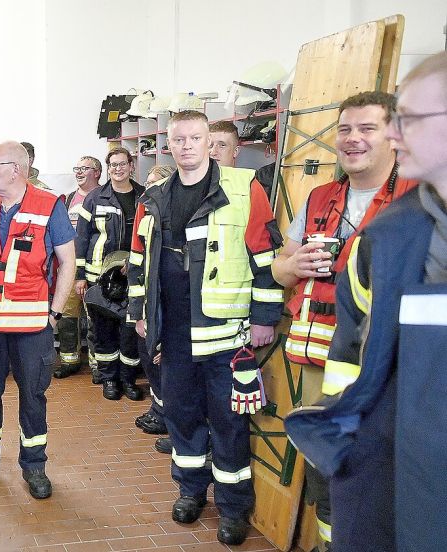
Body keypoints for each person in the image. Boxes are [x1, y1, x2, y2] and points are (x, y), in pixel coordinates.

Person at [286, 51, 447, 552]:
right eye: (345, 128)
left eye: (408, 120)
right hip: (353, 404)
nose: (396, 134)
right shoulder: (391, 235)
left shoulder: (393, 216)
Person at [127, 110, 283, 545]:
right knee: (182, 418)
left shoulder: (243, 187)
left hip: (226, 335)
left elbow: (264, 255)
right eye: (179, 139)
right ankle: (190, 491)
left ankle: (233, 508)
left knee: (230, 423)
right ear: (170, 145)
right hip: (173, 334)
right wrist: (139, 312)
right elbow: (140, 261)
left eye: (197, 138)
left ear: (210, 143)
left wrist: (265, 318)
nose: (188, 146)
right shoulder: (154, 195)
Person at [271, 91, 416, 551]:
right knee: (326, 469)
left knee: (382, 471)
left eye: (367, 128)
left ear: (394, 136)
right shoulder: (320, 198)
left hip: (386, 370)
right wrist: (295, 268)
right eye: (345, 129)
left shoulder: (418, 200)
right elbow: (278, 267)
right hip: (320, 365)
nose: (353, 139)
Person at [0, 141, 76, 499]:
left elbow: (68, 263)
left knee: (32, 397)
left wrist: (54, 314)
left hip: (31, 327)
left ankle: (34, 466)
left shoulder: (49, 206)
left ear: (16, 169)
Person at [73, 150, 147, 404]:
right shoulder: (94, 199)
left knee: (130, 330)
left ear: (131, 166)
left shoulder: (144, 196)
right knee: (103, 331)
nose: (118, 169)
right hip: (99, 278)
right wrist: (80, 276)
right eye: (112, 165)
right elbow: (81, 239)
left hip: (134, 276)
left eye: (122, 164)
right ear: (107, 169)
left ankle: (128, 379)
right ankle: (109, 379)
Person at [54, 155, 103, 380]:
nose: (79, 172)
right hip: (69, 268)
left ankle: (98, 364)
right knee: (66, 316)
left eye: (85, 168)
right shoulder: (69, 199)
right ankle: (69, 360)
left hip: (95, 268)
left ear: (97, 173)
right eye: (77, 168)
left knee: (96, 317)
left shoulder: (104, 197)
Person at [140, 163, 176, 456]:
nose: (150, 188)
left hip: (170, 303)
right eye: (148, 183)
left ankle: (172, 422)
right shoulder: (148, 217)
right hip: (151, 304)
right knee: (152, 361)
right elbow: (140, 263)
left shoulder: (173, 215)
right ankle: (161, 412)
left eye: (156, 183)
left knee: (170, 367)